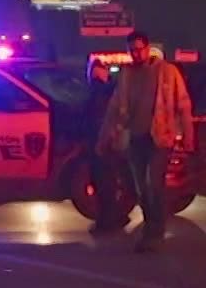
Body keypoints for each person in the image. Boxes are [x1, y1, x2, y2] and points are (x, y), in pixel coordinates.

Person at [98, 32, 193, 252]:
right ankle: (150, 226)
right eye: (132, 50)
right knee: (141, 187)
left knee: (153, 183)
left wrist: (188, 135)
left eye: (140, 49)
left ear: (148, 48)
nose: (136, 53)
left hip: (160, 137)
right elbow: (114, 110)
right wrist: (105, 137)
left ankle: (155, 231)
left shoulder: (167, 72)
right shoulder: (127, 75)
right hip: (135, 137)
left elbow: (183, 105)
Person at [82, 59, 124, 233]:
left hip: (101, 142)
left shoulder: (98, 91)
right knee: (108, 182)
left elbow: (95, 117)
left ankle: (108, 221)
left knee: (103, 182)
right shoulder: (109, 89)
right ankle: (114, 217)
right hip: (108, 142)